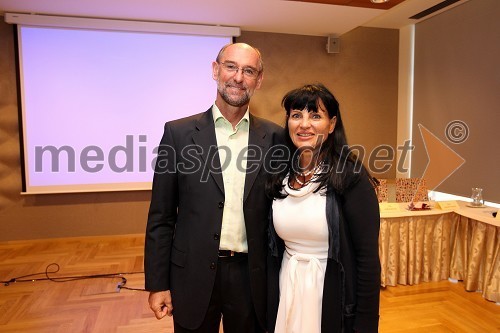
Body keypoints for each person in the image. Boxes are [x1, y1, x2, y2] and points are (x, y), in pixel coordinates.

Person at [144, 42, 284, 333]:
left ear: (259, 80)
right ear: (215, 70)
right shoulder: (178, 134)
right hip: (192, 275)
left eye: (248, 71)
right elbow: (162, 217)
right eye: (231, 66)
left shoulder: (275, 138)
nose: (238, 77)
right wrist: (158, 284)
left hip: (252, 279)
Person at [266, 84, 381, 333]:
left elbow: (367, 260)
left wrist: (366, 322)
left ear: (331, 124)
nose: (304, 124)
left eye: (315, 116)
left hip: (331, 294)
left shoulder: (351, 177)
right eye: (297, 115)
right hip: (288, 289)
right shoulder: (280, 174)